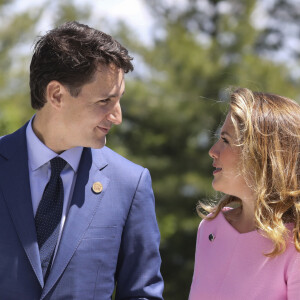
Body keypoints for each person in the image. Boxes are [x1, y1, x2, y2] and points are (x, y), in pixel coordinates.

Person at [0, 21, 164, 300]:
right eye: (105, 101)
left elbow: (142, 294)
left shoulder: (130, 183)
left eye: (119, 100)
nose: (117, 116)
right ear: (56, 95)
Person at [189, 88, 300, 300]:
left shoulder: (295, 243)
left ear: (262, 155)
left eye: (226, 140)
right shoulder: (210, 226)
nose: (213, 150)